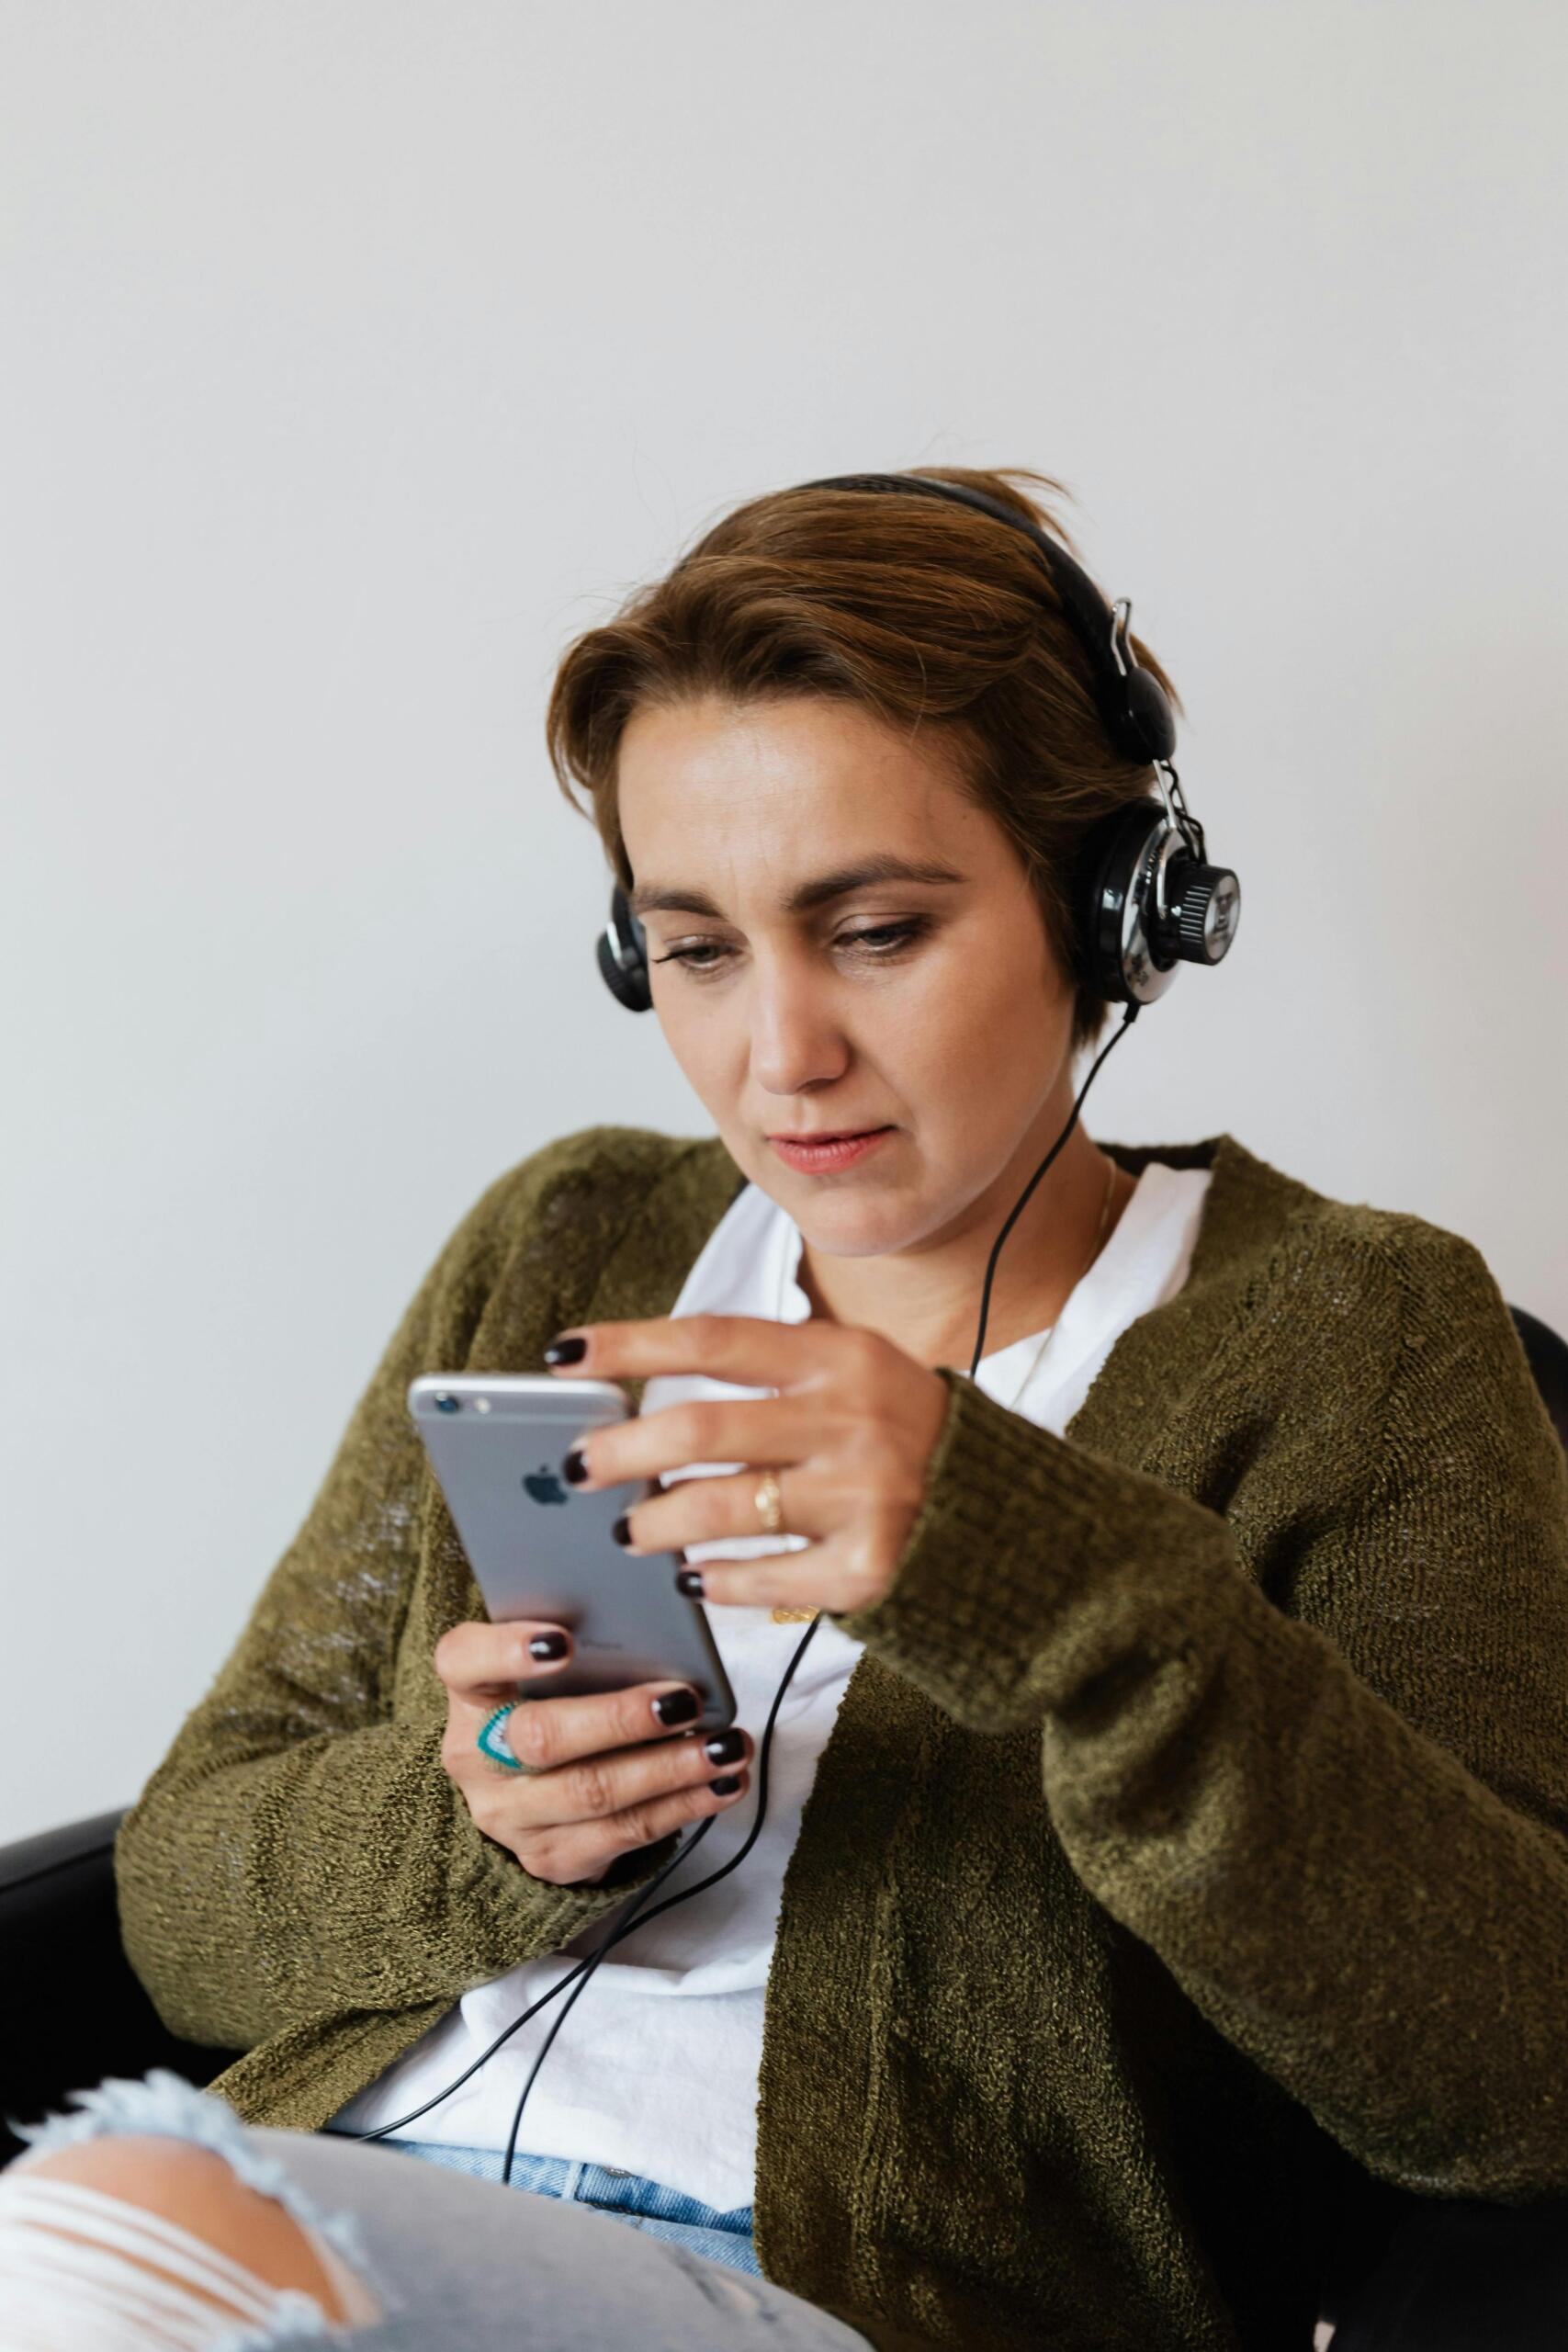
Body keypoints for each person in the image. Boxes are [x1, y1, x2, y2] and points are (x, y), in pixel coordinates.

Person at [4, 468, 1566, 2352]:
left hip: (846, 2299)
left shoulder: (1349, 1333)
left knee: (103, 2238)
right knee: (107, 2228)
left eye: (876, 929)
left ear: (1104, 911)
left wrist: (1054, 1583)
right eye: (698, 946)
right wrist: (473, 1824)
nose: (779, 1050)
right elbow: (173, 1898)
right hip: (349, 2208)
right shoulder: (572, 1232)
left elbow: (1508, 2071)